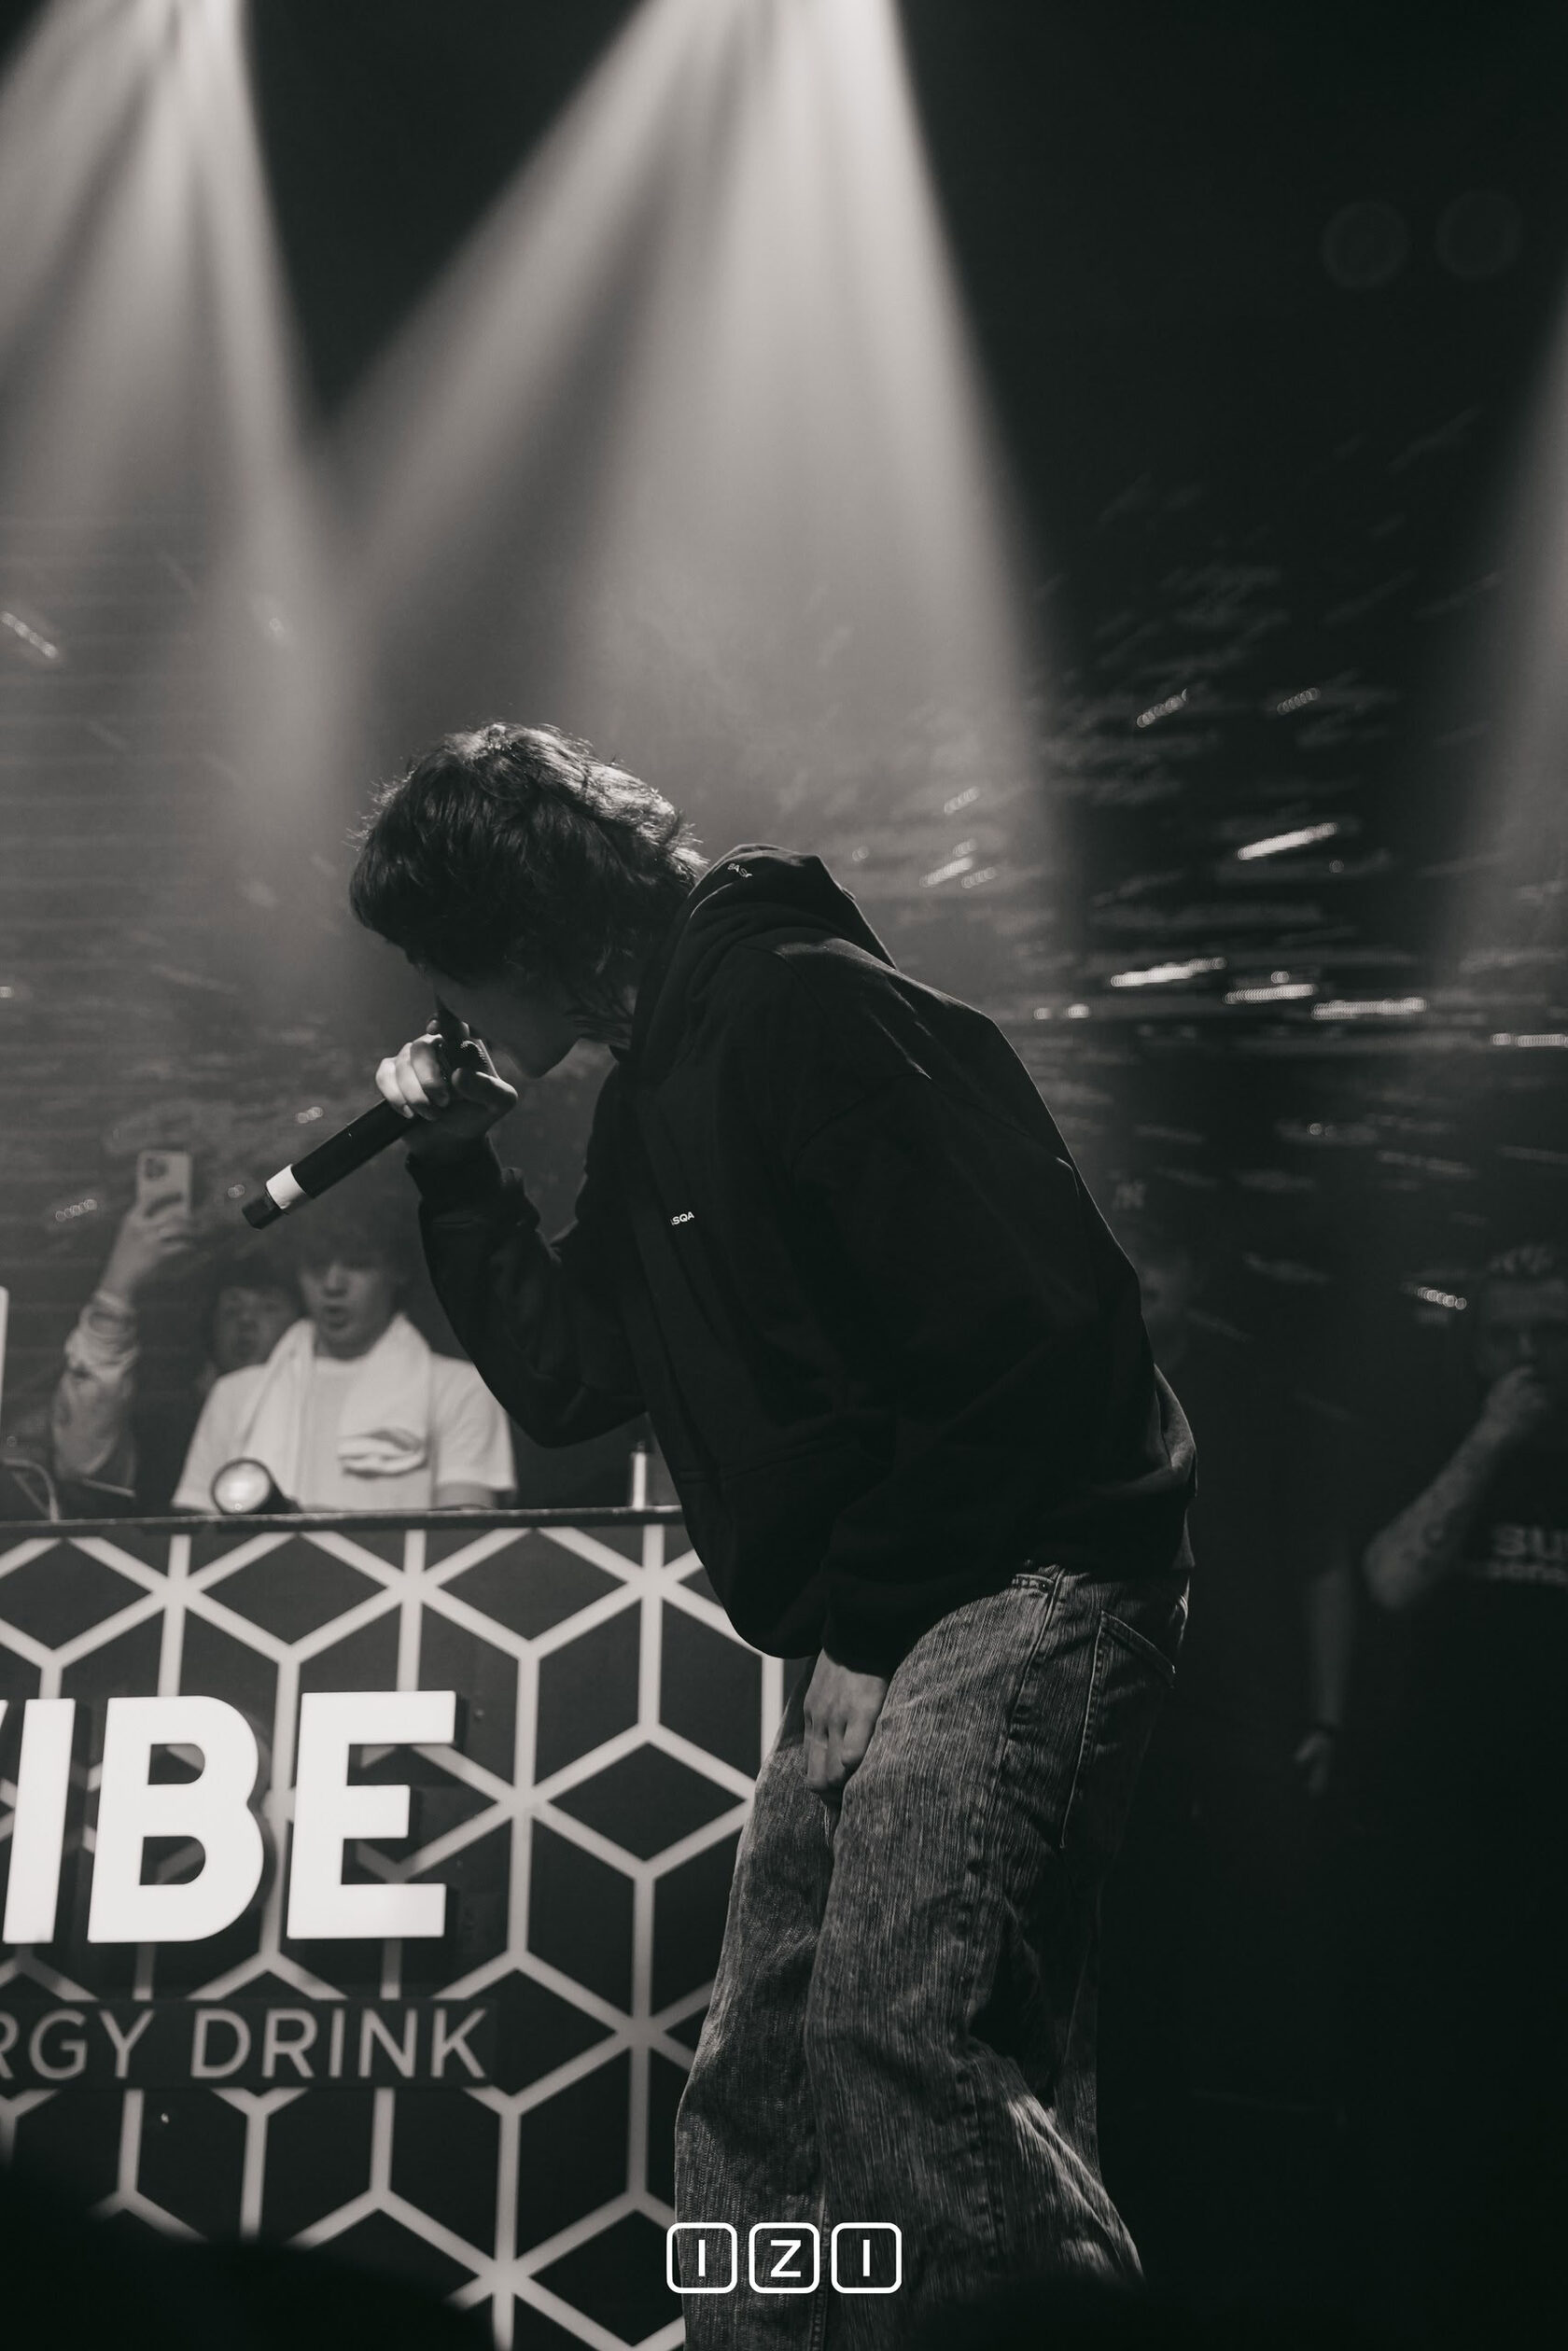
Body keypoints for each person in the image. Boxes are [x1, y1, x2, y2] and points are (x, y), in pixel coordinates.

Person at [349, 719, 1196, 2344]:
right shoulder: (650, 1097)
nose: (442, 1010)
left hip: (1023, 1570)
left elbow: (1025, 1343)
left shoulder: (807, 1008)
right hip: (895, 1600)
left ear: (527, 936)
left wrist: (868, 1628)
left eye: (445, 967)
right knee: (761, 2080)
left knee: (904, 2036)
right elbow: (574, 1372)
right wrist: (457, 1172)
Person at [1098, 1221, 1358, 2302]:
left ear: (1193, 1280)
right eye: (1127, 1273)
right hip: (1128, 1718)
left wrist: (1328, 1715)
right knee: (1128, 1965)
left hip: (1246, 1723)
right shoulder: (1080, 1395)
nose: (1141, 1290)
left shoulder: (1255, 1402)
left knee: (1245, 1963)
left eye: (1156, 1271)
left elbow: (1324, 1558)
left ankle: (1244, 2234)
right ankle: (1133, 2204)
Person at [1355, 1241, 1568, 2339]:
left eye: (1551, 1333)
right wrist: (1491, 1441)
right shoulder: (1435, 1441)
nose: (1528, 1355)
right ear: (1472, 1348)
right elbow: (1391, 1578)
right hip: (1450, 1838)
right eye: (1505, 1335)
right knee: (1447, 2101)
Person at [172, 1196, 515, 1514]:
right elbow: (195, 1535)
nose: (333, 1285)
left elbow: (463, 1533)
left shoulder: (460, 1389)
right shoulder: (235, 1395)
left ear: (397, 1271)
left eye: (357, 1265)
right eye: (317, 1266)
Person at [48, 1193, 300, 1511]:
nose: (246, 1320)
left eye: (268, 1307)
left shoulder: (309, 1416)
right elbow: (84, 1460)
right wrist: (117, 1287)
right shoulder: (168, 1430)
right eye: (232, 1309)